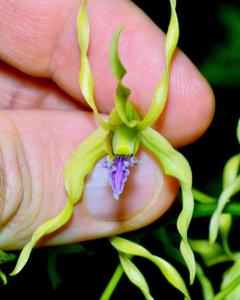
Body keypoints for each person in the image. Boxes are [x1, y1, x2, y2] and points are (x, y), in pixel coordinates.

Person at [0, 0, 214, 250]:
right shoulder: (101, 141)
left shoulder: (144, 140)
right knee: (67, 202)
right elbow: (69, 196)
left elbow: (186, 190)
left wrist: (185, 245)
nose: (122, 152)